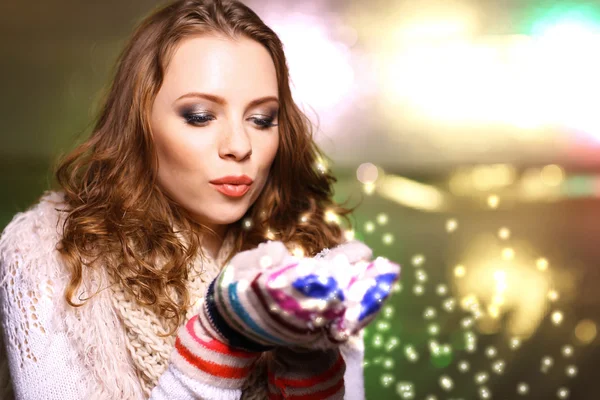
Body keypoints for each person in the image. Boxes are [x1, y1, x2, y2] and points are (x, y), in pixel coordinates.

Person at [0, 0, 400, 399]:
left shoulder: (312, 255)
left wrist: (308, 362)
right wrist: (221, 336)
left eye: (261, 119)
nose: (240, 146)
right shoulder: (44, 249)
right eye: (199, 116)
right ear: (139, 124)